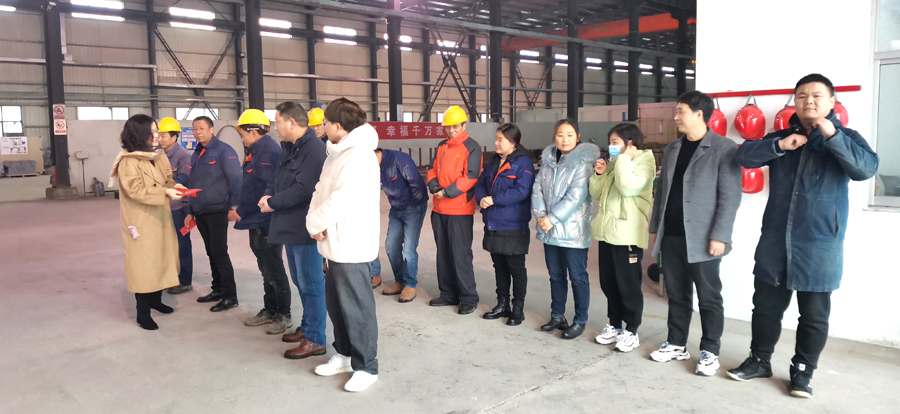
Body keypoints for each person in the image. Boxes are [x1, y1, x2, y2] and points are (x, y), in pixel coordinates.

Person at [728, 74, 879, 398]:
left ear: (831, 102)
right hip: (776, 240)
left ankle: (803, 371)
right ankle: (759, 360)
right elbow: (743, 156)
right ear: (795, 102)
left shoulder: (847, 137)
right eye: (802, 96)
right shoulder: (782, 137)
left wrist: (833, 135)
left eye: (816, 95)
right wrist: (780, 145)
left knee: (813, 316)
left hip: (820, 243)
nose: (808, 101)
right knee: (765, 308)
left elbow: (865, 169)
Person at [648, 91, 742, 376]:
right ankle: (677, 343)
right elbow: (662, 192)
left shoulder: (724, 148)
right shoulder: (673, 148)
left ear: (699, 114)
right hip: (673, 234)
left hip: (703, 238)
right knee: (677, 294)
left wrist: (720, 235)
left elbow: (730, 197)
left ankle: (710, 351)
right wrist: (655, 229)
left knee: (709, 298)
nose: (675, 117)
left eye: (681, 111)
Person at [307, 98, 381, 392]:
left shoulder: (360, 155)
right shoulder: (335, 153)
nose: (322, 126)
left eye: (325, 122)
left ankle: (367, 367)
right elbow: (320, 190)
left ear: (338, 125)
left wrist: (315, 223)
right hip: (333, 242)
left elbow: (342, 200)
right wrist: (314, 220)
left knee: (357, 308)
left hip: (351, 242)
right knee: (337, 305)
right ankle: (346, 355)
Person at [261, 102, 328, 358]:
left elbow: (304, 189)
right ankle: (308, 327)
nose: (275, 127)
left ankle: (316, 339)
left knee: (311, 283)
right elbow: (278, 179)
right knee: (301, 281)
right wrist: (268, 195)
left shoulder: (314, 149)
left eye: (277, 122)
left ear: (291, 122)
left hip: (305, 227)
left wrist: (273, 203)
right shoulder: (290, 147)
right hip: (289, 225)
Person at [110, 114, 182, 330]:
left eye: (156, 130)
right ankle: (142, 313)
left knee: (160, 259)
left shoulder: (158, 156)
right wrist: (165, 192)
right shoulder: (128, 161)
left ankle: (155, 301)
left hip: (160, 216)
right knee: (143, 266)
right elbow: (135, 191)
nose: (157, 135)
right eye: (152, 131)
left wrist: (175, 186)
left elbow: (168, 179)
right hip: (141, 221)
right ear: (139, 134)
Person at [589, 123, 656, 352]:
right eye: (610, 142)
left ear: (630, 144)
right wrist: (600, 175)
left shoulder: (644, 163)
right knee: (609, 283)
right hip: (608, 232)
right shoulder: (616, 163)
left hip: (627, 235)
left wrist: (624, 159)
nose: (611, 147)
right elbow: (596, 194)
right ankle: (615, 325)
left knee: (628, 285)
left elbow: (628, 188)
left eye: (615, 142)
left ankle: (631, 331)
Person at [532, 119, 600, 340]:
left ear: (577, 137)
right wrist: (541, 216)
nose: (565, 139)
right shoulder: (548, 163)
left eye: (570, 135)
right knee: (556, 276)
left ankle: (580, 320)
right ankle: (557, 316)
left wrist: (551, 218)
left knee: (578, 277)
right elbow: (537, 189)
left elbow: (575, 197)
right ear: (555, 136)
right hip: (549, 230)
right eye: (560, 134)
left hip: (573, 232)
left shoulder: (583, 166)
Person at [231, 109, 292, 335]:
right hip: (255, 218)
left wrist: (241, 210)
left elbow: (263, 189)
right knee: (265, 266)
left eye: (242, 134)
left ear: (254, 131)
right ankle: (270, 309)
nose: (242, 139)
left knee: (273, 266)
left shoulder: (268, 152)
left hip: (266, 219)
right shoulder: (256, 150)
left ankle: (283, 314)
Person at [177, 116, 243, 312]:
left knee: (219, 252)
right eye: (195, 128)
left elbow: (236, 179)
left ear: (212, 130)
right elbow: (192, 183)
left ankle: (230, 296)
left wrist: (234, 206)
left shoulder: (224, 150)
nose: (198, 132)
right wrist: (189, 210)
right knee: (211, 252)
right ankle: (218, 289)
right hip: (200, 210)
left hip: (217, 209)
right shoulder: (196, 154)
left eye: (202, 128)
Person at [474, 123, 535, 326]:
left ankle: (518, 308)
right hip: (493, 223)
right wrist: (482, 198)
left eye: (500, 139)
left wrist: (494, 199)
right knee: (499, 267)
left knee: (516, 268)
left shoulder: (523, 163)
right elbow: (480, 183)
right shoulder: (493, 161)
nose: (496, 143)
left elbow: (521, 191)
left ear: (513, 142)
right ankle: (502, 304)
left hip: (513, 224)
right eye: (496, 139)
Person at [426, 106, 483, 315]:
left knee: (460, 255)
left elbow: (472, 176)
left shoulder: (472, 147)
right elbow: (431, 169)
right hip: (439, 209)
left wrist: (447, 192)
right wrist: (434, 188)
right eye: (448, 127)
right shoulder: (441, 146)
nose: (451, 130)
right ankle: (448, 293)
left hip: (459, 210)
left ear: (464, 125)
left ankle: (468, 298)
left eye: (455, 126)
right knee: (443, 254)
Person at [375, 148, 429, 303]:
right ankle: (399, 281)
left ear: (375, 153)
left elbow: (416, 183)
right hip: (396, 208)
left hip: (413, 207)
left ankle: (410, 285)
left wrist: (413, 205)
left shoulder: (398, 159)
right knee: (391, 247)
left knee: (409, 249)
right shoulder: (374, 166)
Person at [157, 117, 193, 295]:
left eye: (163, 136)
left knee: (182, 243)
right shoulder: (160, 155)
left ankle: (185, 280)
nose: (160, 139)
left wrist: (160, 187)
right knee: (168, 244)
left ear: (174, 137)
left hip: (180, 208)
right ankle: (171, 276)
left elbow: (182, 181)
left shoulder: (183, 156)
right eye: (159, 135)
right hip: (165, 206)